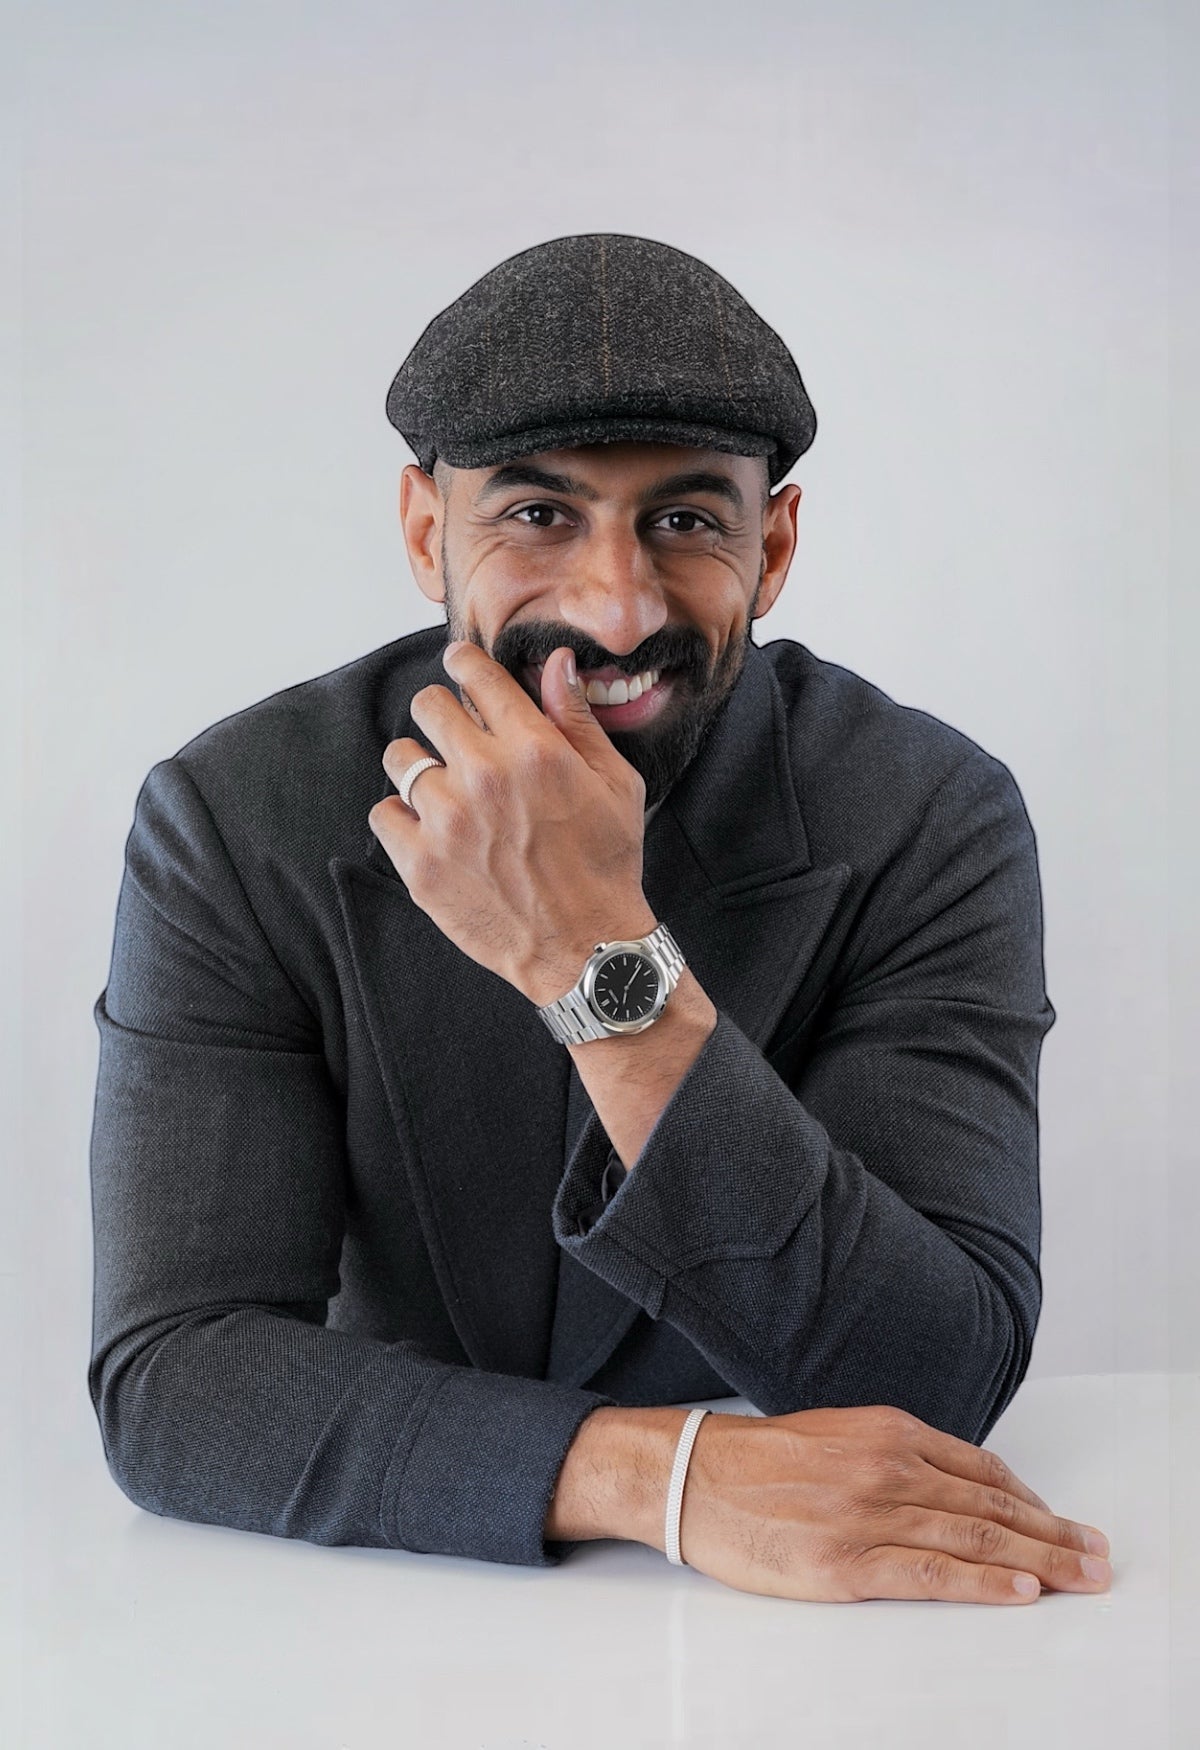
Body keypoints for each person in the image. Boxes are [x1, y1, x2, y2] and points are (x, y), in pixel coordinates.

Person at [88, 232, 1113, 1605]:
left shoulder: (929, 815)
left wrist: (597, 960)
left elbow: (933, 1374)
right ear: (425, 530)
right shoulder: (234, 816)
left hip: (823, 1658)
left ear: (775, 545)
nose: (617, 610)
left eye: (686, 521)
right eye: (538, 514)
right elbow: (177, 1380)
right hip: (366, 1628)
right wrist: (659, 1476)